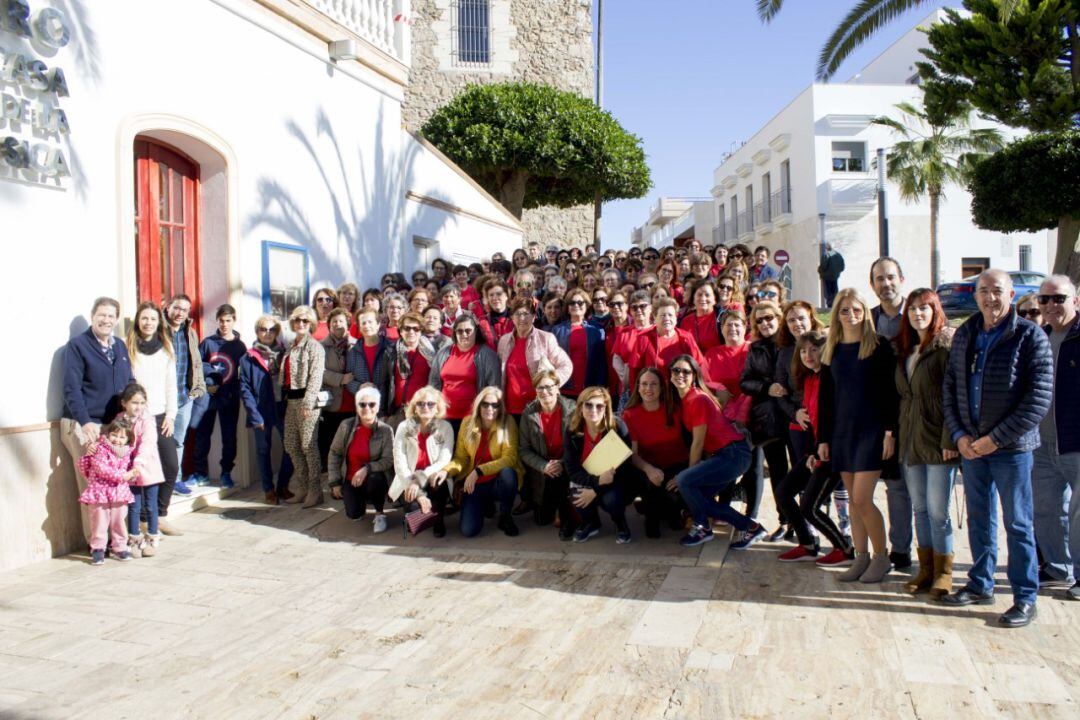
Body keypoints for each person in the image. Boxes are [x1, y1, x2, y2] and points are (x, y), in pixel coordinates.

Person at [942, 269, 1052, 627]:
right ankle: (980, 584)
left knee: (1018, 524)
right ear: (975, 296)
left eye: (998, 291)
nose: (990, 298)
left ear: (1011, 294)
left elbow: (1037, 399)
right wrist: (960, 435)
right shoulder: (966, 335)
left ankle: (1024, 597)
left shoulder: (1030, 336)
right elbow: (951, 389)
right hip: (972, 448)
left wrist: (995, 439)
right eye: (983, 291)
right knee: (979, 520)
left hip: (1011, 449)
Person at [817, 288, 899, 584]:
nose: (850, 315)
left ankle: (881, 557)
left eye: (856, 309)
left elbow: (892, 393)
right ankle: (861, 557)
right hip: (842, 433)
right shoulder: (832, 349)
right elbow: (826, 399)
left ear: (865, 313)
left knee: (863, 498)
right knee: (852, 500)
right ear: (836, 314)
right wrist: (823, 439)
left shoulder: (878, 347)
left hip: (872, 432)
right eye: (844, 310)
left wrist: (890, 431)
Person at [894, 289, 958, 598]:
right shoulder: (907, 349)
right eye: (912, 309)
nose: (918, 313)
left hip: (937, 441)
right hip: (910, 441)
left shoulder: (944, 348)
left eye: (924, 308)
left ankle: (944, 573)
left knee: (937, 511)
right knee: (919, 508)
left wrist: (950, 438)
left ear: (935, 311)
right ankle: (926, 570)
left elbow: (953, 398)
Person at [670, 355, 765, 549]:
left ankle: (703, 527)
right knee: (700, 498)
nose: (680, 374)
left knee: (684, 482)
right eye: (676, 370)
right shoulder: (687, 399)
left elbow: (697, 443)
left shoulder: (697, 399)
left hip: (733, 454)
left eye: (686, 371)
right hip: (727, 455)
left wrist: (687, 475)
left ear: (695, 375)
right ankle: (750, 527)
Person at [62, 297, 135, 547]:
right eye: (101, 315)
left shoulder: (120, 347)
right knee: (95, 491)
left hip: (113, 428)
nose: (106, 320)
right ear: (92, 316)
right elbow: (71, 389)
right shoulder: (78, 346)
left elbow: (129, 383)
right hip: (86, 426)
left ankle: (117, 542)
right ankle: (96, 546)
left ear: (116, 319)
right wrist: (85, 422)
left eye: (110, 316)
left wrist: (132, 413)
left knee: (115, 489)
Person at [1031, 275, 1080, 601]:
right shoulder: (1040, 337)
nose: (1050, 306)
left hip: (1076, 442)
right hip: (1042, 444)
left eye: (1058, 298)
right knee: (1045, 509)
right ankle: (1058, 567)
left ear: (1075, 300)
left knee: (1078, 514)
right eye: (1044, 300)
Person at [869, 257, 913, 570]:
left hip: (915, 411)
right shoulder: (867, 320)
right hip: (879, 412)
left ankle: (923, 553)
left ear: (901, 278)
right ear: (872, 285)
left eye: (891, 277)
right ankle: (898, 550)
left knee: (919, 489)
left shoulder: (917, 314)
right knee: (894, 484)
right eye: (879, 279)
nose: (886, 284)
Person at [124, 302, 178, 546]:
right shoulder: (129, 348)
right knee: (140, 469)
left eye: (152, 319)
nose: (148, 322)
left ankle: (161, 513)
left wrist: (171, 414)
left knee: (170, 466)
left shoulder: (166, 350)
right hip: (137, 417)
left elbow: (171, 385)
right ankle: (144, 519)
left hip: (160, 417)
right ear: (138, 321)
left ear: (158, 323)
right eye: (144, 318)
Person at [740, 301, 791, 539]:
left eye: (769, 318)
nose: (765, 323)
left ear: (779, 317)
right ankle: (785, 520)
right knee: (779, 471)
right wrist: (766, 387)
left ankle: (805, 520)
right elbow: (745, 382)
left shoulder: (792, 342)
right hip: (769, 418)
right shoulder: (755, 348)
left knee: (802, 468)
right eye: (759, 320)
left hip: (794, 414)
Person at [445, 387, 523, 537]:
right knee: (469, 530)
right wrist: (446, 471)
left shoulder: (508, 422)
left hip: (497, 482)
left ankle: (505, 516)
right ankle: (485, 505)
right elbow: (461, 458)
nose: (490, 409)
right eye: (485, 404)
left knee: (508, 473)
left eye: (495, 405)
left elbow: (510, 458)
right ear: (478, 404)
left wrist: (479, 470)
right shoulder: (467, 423)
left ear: (501, 407)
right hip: (473, 484)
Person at [563, 386, 636, 544]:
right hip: (589, 478)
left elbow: (625, 468)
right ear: (581, 406)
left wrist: (596, 490)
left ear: (606, 408)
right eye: (588, 405)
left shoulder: (617, 428)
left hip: (615, 481)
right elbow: (572, 470)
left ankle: (620, 523)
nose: (593, 410)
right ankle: (591, 523)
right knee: (576, 493)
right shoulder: (572, 430)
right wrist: (595, 483)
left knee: (611, 500)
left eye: (599, 406)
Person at [622, 368, 688, 538]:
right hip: (649, 468)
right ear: (637, 387)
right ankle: (651, 517)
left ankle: (668, 509)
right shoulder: (630, 415)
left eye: (653, 384)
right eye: (644, 384)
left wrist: (684, 474)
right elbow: (633, 455)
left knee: (672, 503)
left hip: (677, 466)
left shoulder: (674, 409)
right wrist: (648, 469)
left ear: (661, 388)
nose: (648, 389)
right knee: (654, 488)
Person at [190, 304, 246, 489]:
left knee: (229, 437)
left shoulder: (239, 346)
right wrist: (209, 381)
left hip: (229, 397)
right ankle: (200, 473)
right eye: (221, 320)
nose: (224, 324)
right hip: (208, 397)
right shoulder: (208, 342)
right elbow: (197, 365)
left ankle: (226, 473)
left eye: (228, 320)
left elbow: (243, 373)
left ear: (234, 320)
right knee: (202, 434)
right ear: (217, 320)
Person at [239, 315, 294, 505]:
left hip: (283, 407)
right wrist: (254, 415)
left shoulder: (285, 354)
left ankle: (283, 485)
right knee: (263, 450)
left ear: (277, 332)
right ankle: (268, 490)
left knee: (291, 447)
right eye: (263, 329)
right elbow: (245, 389)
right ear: (257, 332)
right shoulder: (248, 358)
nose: (268, 333)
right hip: (261, 409)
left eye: (272, 330)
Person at [389, 386, 456, 537]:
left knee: (440, 480)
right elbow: (400, 463)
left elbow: (444, 460)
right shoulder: (403, 427)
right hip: (408, 480)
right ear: (414, 407)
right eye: (420, 404)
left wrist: (420, 478)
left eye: (430, 404)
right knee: (414, 522)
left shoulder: (445, 428)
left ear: (438, 407)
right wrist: (418, 493)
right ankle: (426, 511)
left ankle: (438, 520)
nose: (425, 407)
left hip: (431, 478)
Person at [328, 385, 394, 533]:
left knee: (375, 479)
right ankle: (360, 502)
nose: (367, 408)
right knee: (354, 515)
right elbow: (335, 453)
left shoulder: (385, 430)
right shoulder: (346, 426)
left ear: (378, 407)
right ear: (357, 407)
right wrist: (335, 482)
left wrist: (367, 468)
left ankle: (379, 513)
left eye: (372, 404)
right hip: (351, 479)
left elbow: (388, 460)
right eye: (362, 404)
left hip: (373, 477)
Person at [518, 370, 577, 537]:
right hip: (542, 471)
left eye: (549, 387)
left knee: (559, 481)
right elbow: (523, 449)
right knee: (541, 520)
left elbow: (580, 446)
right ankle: (554, 508)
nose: (544, 392)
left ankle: (567, 519)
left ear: (558, 387)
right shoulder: (529, 414)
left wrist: (562, 463)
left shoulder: (572, 410)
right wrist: (543, 466)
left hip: (567, 467)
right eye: (540, 388)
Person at [162, 294, 206, 515]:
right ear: (167, 307)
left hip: (184, 395)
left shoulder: (189, 331)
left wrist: (196, 388)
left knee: (179, 440)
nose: (180, 313)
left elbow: (195, 361)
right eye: (177, 308)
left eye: (185, 310)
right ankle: (160, 481)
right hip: (162, 397)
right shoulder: (158, 330)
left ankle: (175, 479)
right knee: (160, 441)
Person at [281, 305, 326, 508]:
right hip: (291, 401)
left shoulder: (314, 347)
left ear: (311, 324)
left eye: (305, 321)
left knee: (308, 446)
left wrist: (308, 402)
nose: (301, 324)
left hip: (307, 402)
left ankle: (315, 491)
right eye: (297, 320)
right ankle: (303, 487)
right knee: (291, 444)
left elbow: (316, 376)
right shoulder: (292, 345)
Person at [498, 296, 572, 418]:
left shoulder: (546, 339)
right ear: (512, 317)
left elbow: (566, 365)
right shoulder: (504, 341)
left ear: (534, 316)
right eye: (517, 314)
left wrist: (550, 385)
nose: (522, 318)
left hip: (537, 408)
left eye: (526, 314)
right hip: (510, 409)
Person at [429, 313, 501, 434]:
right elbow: (434, 383)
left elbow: (494, 387)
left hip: (473, 418)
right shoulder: (443, 353)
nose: (464, 334)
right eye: (460, 331)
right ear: (455, 333)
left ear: (476, 331)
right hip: (444, 417)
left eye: (468, 330)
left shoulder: (487, 355)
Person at [77, 418, 137, 565]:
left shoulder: (128, 452)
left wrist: (133, 475)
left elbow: (131, 470)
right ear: (108, 434)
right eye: (114, 435)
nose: (117, 440)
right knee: (99, 521)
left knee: (119, 521)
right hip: (100, 492)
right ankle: (97, 549)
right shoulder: (99, 449)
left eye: (122, 437)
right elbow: (100, 468)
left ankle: (120, 547)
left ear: (128, 439)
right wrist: (123, 476)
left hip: (119, 492)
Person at [625, 297, 706, 389]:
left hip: (680, 393)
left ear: (676, 317)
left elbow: (699, 366)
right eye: (663, 315)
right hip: (653, 394)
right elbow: (634, 371)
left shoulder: (686, 337)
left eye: (670, 315)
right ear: (655, 317)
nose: (667, 318)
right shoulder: (644, 338)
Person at [319, 308, 357, 473]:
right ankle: (332, 479)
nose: (337, 324)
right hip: (332, 404)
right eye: (334, 321)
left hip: (352, 402)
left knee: (351, 445)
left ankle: (349, 477)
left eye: (341, 321)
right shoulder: (321, 347)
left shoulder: (357, 345)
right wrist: (340, 379)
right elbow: (318, 372)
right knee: (330, 445)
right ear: (329, 325)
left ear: (348, 324)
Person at [552, 288, 606, 398]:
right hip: (564, 388)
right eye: (572, 303)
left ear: (586, 306)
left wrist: (600, 386)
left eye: (580, 302)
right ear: (567, 308)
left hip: (589, 389)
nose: (576, 305)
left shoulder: (597, 331)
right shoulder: (557, 330)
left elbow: (601, 363)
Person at [344, 308, 394, 417]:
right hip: (364, 408)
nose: (367, 326)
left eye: (370, 322)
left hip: (387, 409)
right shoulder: (353, 352)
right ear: (359, 327)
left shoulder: (390, 348)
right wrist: (360, 387)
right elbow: (348, 381)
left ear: (378, 324)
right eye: (363, 323)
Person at [390, 312, 436, 424]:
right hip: (397, 410)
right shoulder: (391, 352)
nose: (411, 332)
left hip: (422, 410)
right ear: (401, 331)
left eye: (416, 329)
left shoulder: (431, 354)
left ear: (421, 332)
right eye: (407, 328)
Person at [679, 281, 722, 352]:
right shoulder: (686, 321)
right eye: (699, 295)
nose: (703, 298)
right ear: (693, 299)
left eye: (707, 295)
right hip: (693, 361)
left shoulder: (721, 319)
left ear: (715, 299)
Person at [818, 242, 845, 309]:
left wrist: (819, 271)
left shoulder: (826, 255)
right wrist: (837, 272)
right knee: (835, 291)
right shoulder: (838, 255)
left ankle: (830, 306)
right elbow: (842, 267)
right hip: (835, 277)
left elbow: (823, 266)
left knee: (828, 293)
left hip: (827, 277)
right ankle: (836, 305)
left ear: (826, 248)